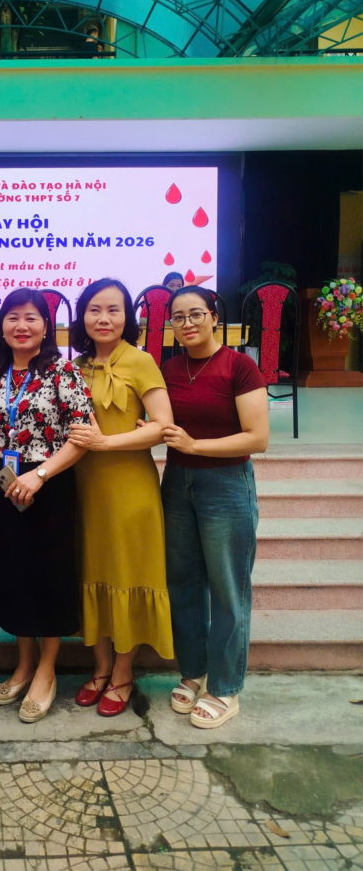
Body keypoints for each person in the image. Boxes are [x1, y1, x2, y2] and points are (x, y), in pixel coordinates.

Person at [0, 288, 93, 723]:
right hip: (6, 482)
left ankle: (46, 670)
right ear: (1, 326)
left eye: (31, 317)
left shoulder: (63, 371)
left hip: (51, 484)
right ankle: (24, 664)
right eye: (12, 317)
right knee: (14, 575)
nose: (21, 326)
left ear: (46, 326)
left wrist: (40, 474)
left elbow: (82, 436)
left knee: (49, 575)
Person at [161, 286, 269, 730]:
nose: (187, 323)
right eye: (178, 317)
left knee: (227, 587)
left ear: (213, 318)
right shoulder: (169, 368)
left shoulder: (239, 366)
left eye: (195, 314)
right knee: (183, 583)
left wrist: (194, 446)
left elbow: (257, 437)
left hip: (225, 482)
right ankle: (194, 671)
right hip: (177, 483)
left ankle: (225, 687)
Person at [68, 279, 174, 716]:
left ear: (128, 317)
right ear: (82, 316)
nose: (104, 318)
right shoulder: (75, 366)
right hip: (83, 487)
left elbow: (162, 426)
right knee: (92, 567)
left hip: (130, 486)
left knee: (127, 571)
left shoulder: (141, 360)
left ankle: (124, 672)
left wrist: (106, 443)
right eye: (95, 309)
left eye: (114, 310)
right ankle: (100, 667)